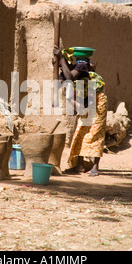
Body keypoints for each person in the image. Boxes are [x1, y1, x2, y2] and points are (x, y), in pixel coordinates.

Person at [53, 46, 107, 176]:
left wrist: (60, 58)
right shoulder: (68, 70)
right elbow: (62, 81)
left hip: (98, 103)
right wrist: (57, 69)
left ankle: (95, 166)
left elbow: (70, 77)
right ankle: (80, 165)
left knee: (96, 133)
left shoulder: (81, 65)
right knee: (80, 133)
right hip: (84, 102)